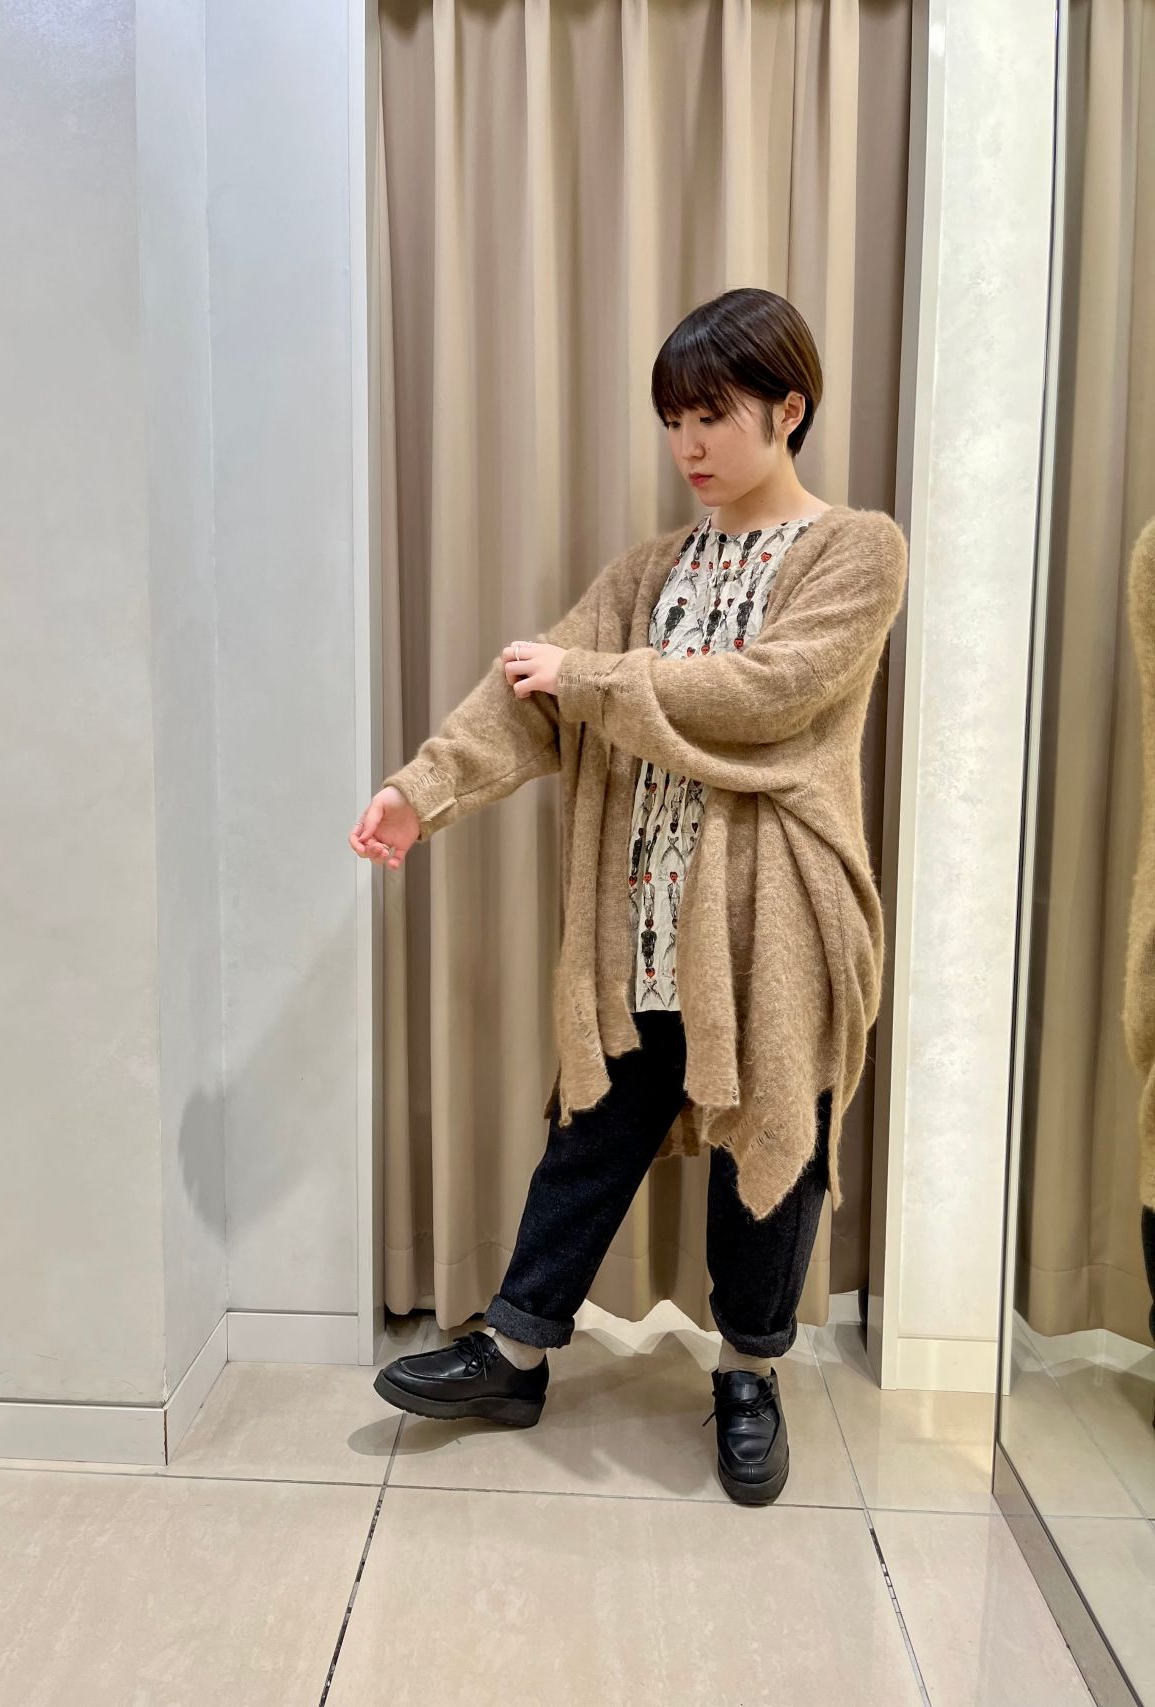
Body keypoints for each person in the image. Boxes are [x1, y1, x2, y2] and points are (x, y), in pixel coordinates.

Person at [350, 287, 908, 1505]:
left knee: (769, 1145)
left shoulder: (854, 550)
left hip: (774, 921)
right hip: (638, 920)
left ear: (787, 410)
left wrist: (593, 678)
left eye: (711, 416)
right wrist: (417, 793)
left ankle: (748, 1375)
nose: (686, 446)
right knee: (592, 1129)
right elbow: (528, 698)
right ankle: (513, 1355)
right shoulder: (647, 571)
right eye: (672, 421)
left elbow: (767, 692)